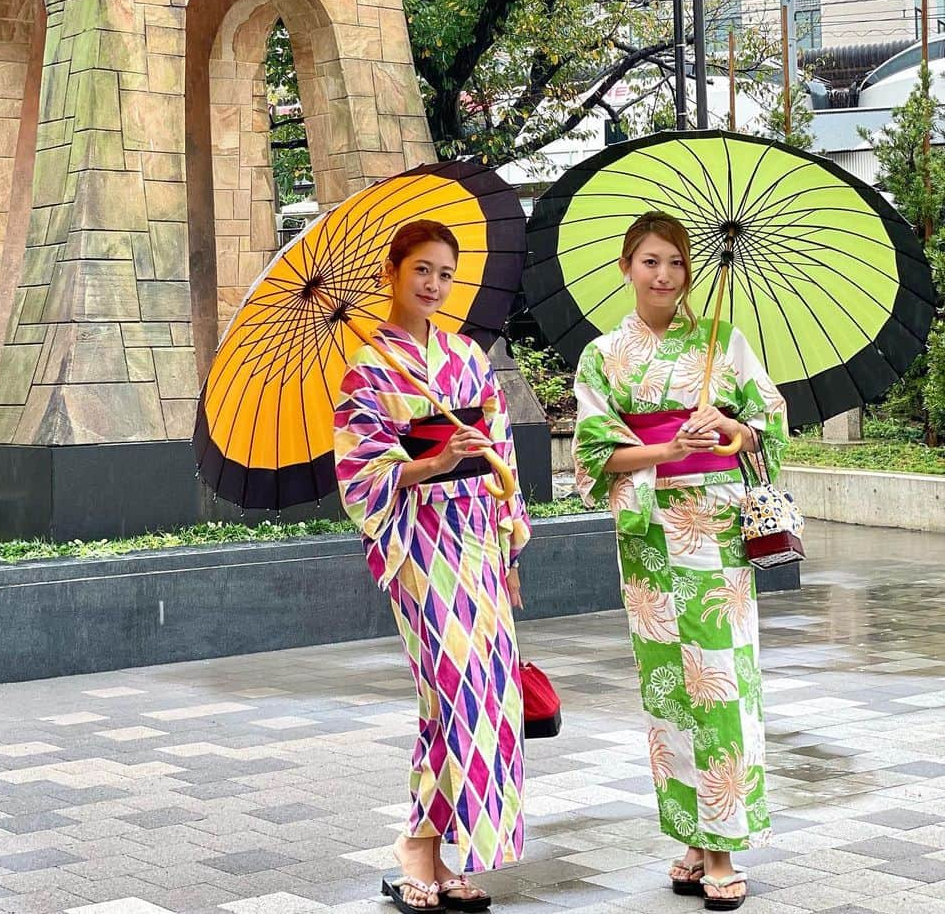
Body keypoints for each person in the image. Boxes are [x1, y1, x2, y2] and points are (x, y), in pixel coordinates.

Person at [572, 211, 788, 913]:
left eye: (674, 263)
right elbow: (595, 451)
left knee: (722, 681)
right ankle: (694, 840)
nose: (663, 275)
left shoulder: (724, 341)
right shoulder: (602, 355)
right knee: (669, 689)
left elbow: (769, 421)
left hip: (717, 530)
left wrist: (729, 428)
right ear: (626, 267)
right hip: (648, 533)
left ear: (689, 273)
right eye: (649, 261)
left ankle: (724, 847)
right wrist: (665, 450)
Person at [334, 219, 531, 914]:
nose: (434, 285)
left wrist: (509, 536)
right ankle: (418, 847)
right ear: (392, 271)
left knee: (490, 696)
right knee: (449, 691)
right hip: (419, 545)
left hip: (479, 536)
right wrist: (430, 463)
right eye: (422, 269)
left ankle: (432, 843)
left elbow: (502, 454)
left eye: (445, 273)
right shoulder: (367, 368)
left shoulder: (468, 360)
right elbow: (358, 475)